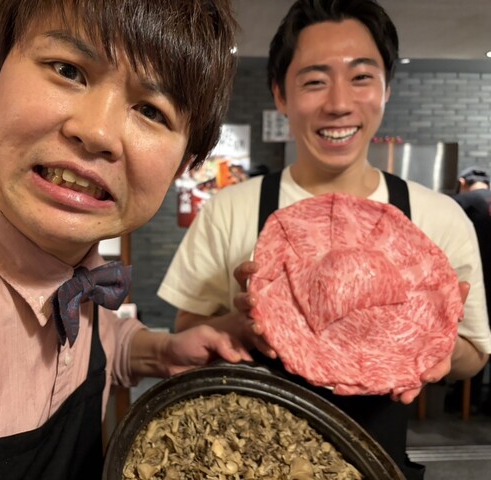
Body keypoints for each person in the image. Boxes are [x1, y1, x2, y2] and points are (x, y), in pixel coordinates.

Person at [0, 1, 246, 478]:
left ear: (185, 165)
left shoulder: (78, 270)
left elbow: (92, 342)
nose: (96, 132)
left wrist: (157, 352)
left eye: (150, 110)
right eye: (68, 70)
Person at [157, 0, 491, 478]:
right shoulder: (232, 208)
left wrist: (432, 343)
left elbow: (474, 354)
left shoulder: (440, 216)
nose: (338, 103)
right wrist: (243, 324)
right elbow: (185, 328)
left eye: (361, 77)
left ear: (386, 88)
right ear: (281, 94)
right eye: (314, 81)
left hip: (377, 464)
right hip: (253, 462)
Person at [448, 167, 491, 413]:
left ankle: (465, 402)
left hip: (477, 285)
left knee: (474, 343)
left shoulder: (460, 204)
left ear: (462, 182)